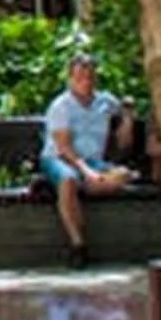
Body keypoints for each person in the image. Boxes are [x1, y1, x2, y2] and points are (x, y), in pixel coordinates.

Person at [41, 51, 140, 266]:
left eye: (90, 76)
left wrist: (128, 118)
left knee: (123, 175)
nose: (85, 82)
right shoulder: (61, 106)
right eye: (79, 77)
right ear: (71, 78)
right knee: (69, 179)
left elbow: (124, 142)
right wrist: (87, 172)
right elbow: (64, 147)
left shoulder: (105, 102)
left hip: (93, 160)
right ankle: (78, 244)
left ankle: (70, 188)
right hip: (60, 158)